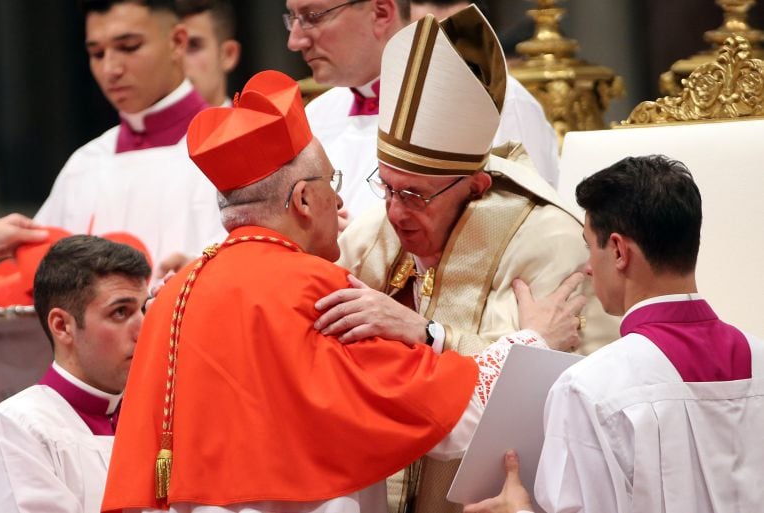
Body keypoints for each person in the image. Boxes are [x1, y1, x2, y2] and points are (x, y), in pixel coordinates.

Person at [101, 69, 574, 513]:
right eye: (332, 182)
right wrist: (534, 340)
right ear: (304, 200)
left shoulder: (176, 293)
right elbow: (454, 417)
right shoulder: (311, 287)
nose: (342, 200)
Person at [316, 8, 618, 513]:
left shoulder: (548, 240)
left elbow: (567, 384)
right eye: (386, 187)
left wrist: (427, 334)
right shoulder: (375, 231)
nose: (395, 212)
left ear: (475, 186)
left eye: (415, 195)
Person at [467, 155, 764, 513]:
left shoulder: (589, 387)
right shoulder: (759, 357)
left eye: (590, 246)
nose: (590, 268)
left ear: (620, 251)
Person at [284, 0, 560, 225]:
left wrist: (361, 244)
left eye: (312, 16)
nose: (295, 41)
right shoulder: (318, 112)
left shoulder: (486, 97)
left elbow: (521, 227)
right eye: (293, 18)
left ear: (381, 12)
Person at [34, 0, 226, 277]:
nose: (111, 69)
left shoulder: (234, 145)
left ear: (177, 41)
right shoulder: (85, 164)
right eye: (98, 54)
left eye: (129, 47)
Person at [0, 235, 150, 513]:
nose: (145, 330)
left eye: (144, 309)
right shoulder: (17, 427)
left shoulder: (154, 421)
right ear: (62, 326)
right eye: (120, 312)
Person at [175, 0, 241, 106]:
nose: (178, 58)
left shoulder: (264, 122)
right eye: (173, 46)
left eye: (193, 45)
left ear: (228, 55)